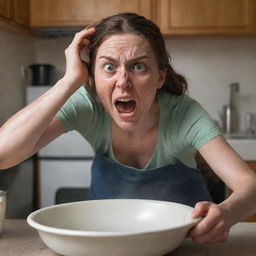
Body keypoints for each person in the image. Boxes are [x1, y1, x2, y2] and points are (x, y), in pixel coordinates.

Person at [0, 12, 256, 245]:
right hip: (105, 244)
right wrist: (69, 81)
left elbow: (249, 185)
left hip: (184, 246)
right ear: (93, 76)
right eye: (109, 67)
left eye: (138, 66)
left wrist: (227, 212)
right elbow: (3, 154)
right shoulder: (88, 105)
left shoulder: (184, 114)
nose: (123, 82)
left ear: (160, 76)